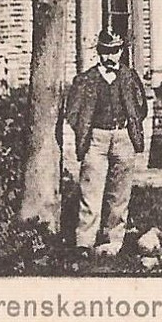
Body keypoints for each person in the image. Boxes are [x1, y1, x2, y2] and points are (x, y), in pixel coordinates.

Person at [63, 29, 148, 256]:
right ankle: (84, 242)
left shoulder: (129, 77)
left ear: (120, 52)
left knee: (120, 192)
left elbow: (141, 107)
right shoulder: (85, 80)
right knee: (90, 190)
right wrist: (85, 131)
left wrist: (131, 128)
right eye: (104, 51)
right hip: (96, 139)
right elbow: (72, 112)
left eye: (114, 52)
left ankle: (113, 241)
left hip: (123, 138)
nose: (109, 57)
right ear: (98, 52)